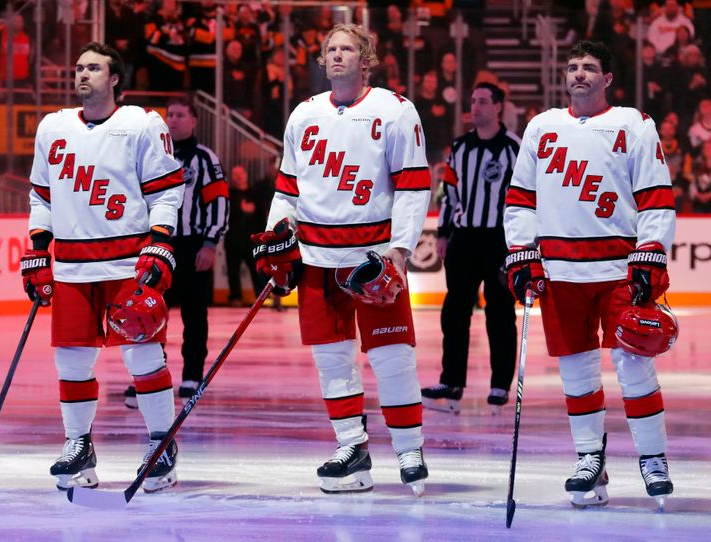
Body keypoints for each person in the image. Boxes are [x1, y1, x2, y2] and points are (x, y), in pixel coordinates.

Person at [252, 24, 432, 496]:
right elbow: (288, 187)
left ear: (365, 58)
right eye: (330, 49)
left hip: (371, 257)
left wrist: (400, 250)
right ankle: (351, 446)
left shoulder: (394, 110)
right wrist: (278, 237)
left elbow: (414, 185)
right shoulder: (304, 114)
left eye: (347, 48)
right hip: (315, 259)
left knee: (393, 359)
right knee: (332, 361)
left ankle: (409, 450)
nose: (337, 56)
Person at [504, 41, 676, 509]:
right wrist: (521, 253)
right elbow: (521, 198)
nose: (579, 74)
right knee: (576, 373)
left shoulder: (634, 125)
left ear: (607, 79)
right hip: (561, 272)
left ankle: (653, 458)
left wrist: (651, 252)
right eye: (573, 67)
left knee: (635, 365)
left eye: (589, 68)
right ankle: (589, 461)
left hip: (620, 269)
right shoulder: (542, 127)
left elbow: (657, 196)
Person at [21, 41, 184, 494]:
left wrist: (161, 242)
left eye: (93, 68)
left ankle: (161, 445)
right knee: (70, 358)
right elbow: (41, 196)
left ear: (115, 78)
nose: (82, 75)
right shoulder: (52, 128)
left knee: (143, 355)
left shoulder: (141, 124)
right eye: (78, 68)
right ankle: (79, 445)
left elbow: (167, 190)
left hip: (127, 261)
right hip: (72, 264)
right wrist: (38, 247)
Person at [421, 82, 520, 415]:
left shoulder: (513, 148)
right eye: (472, 101)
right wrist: (444, 233)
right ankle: (451, 380)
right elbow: (449, 194)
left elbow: (524, 199)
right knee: (455, 312)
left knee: (500, 313)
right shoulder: (460, 147)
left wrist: (523, 243)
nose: (475, 107)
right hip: (464, 239)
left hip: (500, 241)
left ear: (498, 108)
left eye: (482, 102)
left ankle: (499, 384)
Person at [162, 94, 229, 400]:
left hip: (193, 246)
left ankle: (191, 376)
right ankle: (152, 375)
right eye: (170, 115)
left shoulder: (205, 158)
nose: (173, 120)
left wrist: (210, 243)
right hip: (159, 246)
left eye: (179, 115)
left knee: (194, 315)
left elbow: (219, 202)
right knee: (151, 314)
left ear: (193, 120)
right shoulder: (155, 156)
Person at [225, 165, 262, 306]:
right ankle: (235, 297)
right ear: (232, 178)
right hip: (233, 240)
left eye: (240, 173)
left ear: (246, 175)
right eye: (235, 174)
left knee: (256, 270)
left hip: (252, 240)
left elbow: (261, 217)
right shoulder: (228, 195)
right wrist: (241, 210)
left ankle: (261, 297)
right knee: (232, 271)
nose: (238, 176)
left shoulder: (254, 194)